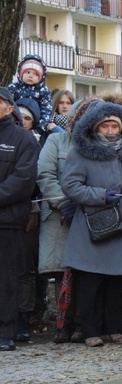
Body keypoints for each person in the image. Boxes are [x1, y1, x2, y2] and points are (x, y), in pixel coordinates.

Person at [61, 100, 122, 347]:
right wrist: (99, 196)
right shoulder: (81, 151)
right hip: (93, 225)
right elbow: (71, 185)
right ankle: (89, 331)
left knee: (118, 282)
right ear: (96, 127)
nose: (110, 130)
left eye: (114, 126)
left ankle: (114, 329)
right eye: (105, 125)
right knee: (91, 282)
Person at [37, 97, 101, 344]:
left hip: (90, 216)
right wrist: (64, 204)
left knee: (86, 272)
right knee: (62, 271)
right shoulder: (57, 140)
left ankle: (84, 325)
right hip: (60, 215)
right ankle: (63, 324)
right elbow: (45, 175)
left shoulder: (98, 145)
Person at [0, 87, 40, 352]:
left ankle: (5, 331)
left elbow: (23, 180)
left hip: (7, 220)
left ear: (9, 108)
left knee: (6, 278)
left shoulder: (24, 140)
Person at [7, 54, 56, 132]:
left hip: (34, 126)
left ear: (41, 77)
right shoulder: (13, 87)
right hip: (13, 124)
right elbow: (7, 105)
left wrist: (40, 128)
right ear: (20, 73)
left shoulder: (43, 91)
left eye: (35, 74)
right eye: (27, 72)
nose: (30, 76)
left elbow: (46, 110)